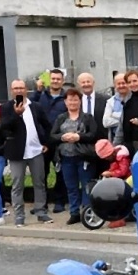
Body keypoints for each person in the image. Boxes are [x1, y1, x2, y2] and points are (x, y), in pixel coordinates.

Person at [2, 78, 53, 226]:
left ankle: (41, 211)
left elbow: (47, 125)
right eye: (16, 88)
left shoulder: (35, 106)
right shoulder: (6, 107)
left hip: (36, 150)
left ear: (26, 90)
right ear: (12, 91)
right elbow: (4, 127)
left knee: (39, 182)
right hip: (17, 153)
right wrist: (16, 114)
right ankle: (19, 216)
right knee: (17, 185)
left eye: (21, 88)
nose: (19, 91)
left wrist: (46, 143)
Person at [47, 86, 101, 225]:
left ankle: (87, 213)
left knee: (86, 186)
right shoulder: (61, 118)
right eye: (70, 100)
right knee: (71, 187)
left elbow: (93, 135)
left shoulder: (87, 117)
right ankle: (74, 213)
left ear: (80, 101)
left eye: (75, 100)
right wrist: (63, 137)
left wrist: (79, 137)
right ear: (65, 102)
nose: (73, 103)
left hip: (83, 158)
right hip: (65, 158)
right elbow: (52, 136)